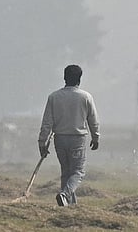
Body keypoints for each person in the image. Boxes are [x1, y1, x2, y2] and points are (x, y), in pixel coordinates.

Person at [38, 64, 99, 207]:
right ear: (80, 79)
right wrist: (95, 137)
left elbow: (47, 122)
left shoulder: (54, 97)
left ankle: (69, 206)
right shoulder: (86, 97)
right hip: (78, 138)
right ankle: (64, 195)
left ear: (65, 78)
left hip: (59, 138)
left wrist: (42, 142)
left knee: (66, 172)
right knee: (78, 172)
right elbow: (93, 119)